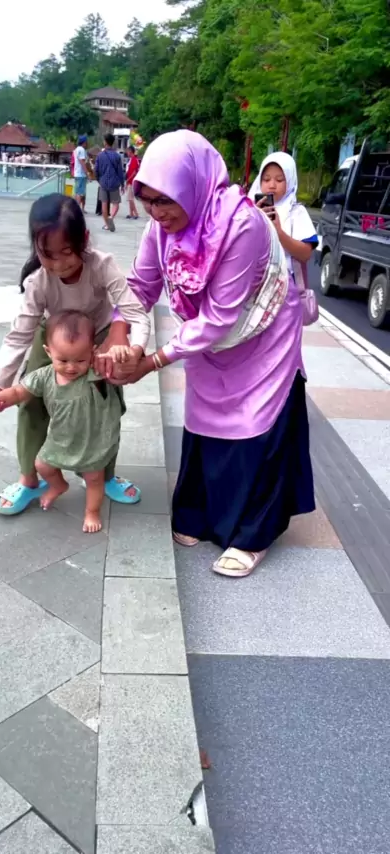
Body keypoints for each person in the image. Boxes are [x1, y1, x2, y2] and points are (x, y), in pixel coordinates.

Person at [120, 130, 315, 578]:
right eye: (147, 201)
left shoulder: (241, 224)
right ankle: (199, 514)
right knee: (204, 418)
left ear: (192, 186)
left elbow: (221, 316)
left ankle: (252, 534)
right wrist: (119, 337)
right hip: (206, 335)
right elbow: (140, 286)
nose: (157, 212)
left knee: (253, 424)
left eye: (165, 200)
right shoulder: (160, 228)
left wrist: (152, 362)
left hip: (262, 335)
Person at [0, 193, 151, 515]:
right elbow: (19, 336)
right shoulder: (38, 281)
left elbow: (136, 314)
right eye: (47, 254)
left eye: (67, 252)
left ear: (83, 239)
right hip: (53, 339)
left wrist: (134, 349)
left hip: (97, 338)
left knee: (105, 407)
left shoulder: (102, 265)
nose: (58, 264)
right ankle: (30, 479)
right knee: (30, 401)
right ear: (36, 248)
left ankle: (104, 475)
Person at [0, 311, 129, 533]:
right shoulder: (44, 376)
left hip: (92, 442)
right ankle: (59, 485)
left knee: (94, 479)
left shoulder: (95, 373)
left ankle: (92, 512)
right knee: (42, 465)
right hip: (61, 438)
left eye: (80, 360)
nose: (71, 367)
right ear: (49, 352)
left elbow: (120, 370)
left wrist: (119, 353)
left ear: (93, 352)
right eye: (63, 360)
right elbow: (18, 392)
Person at [249, 152, 319, 314]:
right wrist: (252, 218)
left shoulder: (297, 212)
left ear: (290, 180)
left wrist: (279, 233)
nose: (272, 185)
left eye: (279, 180)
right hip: (252, 290)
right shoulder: (248, 209)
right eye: (266, 179)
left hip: (285, 294)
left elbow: (305, 254)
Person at [95, 134, 125, 232]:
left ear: (105, 142)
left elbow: (96, 170)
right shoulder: (117, 156)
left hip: (103, 183)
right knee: (116, 203)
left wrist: (99, 180)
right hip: (114, 183)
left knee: (104, 205)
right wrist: (122, 184)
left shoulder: (100, 155)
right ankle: (111, 217)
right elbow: (120, 172)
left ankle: (107, 225)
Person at [74, 135, 90, 211]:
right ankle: (77, 210)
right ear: (84, 142)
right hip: (81, 174)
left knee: (77, 191)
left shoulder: (76, 149)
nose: (87, 143)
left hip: (77, 173)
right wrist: (87, 173)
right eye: (86, 142)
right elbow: (82, 162)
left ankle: (76, 208)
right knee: (80, 193)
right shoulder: (82, 150)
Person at [125, 145, 140, 220]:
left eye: (128, 151)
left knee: (130, 198)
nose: (127, 152)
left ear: (130, 151)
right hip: (130, 181)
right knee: (130, 198)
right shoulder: (131, 159)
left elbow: (134, 172)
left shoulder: (134, 159)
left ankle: (136, 213)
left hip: (131, 181)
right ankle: (131, 213)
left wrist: (128, 180)